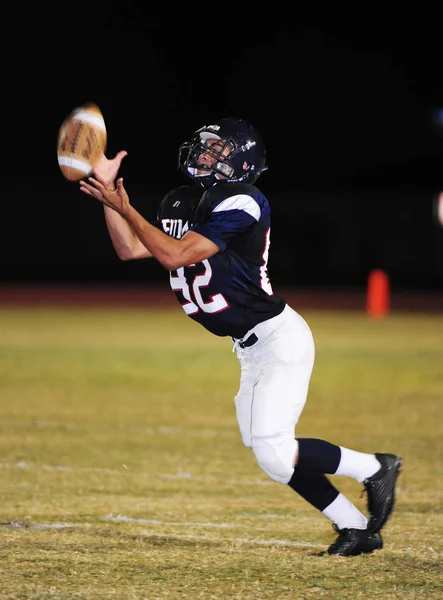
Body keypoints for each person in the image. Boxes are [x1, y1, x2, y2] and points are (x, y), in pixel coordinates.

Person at [79, 117, 402, 556]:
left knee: (273, 449)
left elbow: (174, 257)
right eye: (205, 147)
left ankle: (375, 467)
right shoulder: (181, 200)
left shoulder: (244, 200)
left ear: (242, 162)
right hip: (248, 349)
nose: (205, 155)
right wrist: (112, 199)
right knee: (270, 455)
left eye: (218, 151)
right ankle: (356, 528)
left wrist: (126, 207)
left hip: (278, 339)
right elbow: (130, 248)